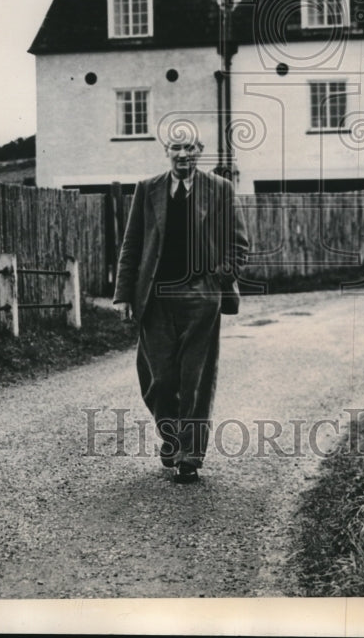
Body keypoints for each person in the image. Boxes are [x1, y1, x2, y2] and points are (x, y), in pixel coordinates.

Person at [113, 133, 249, 484]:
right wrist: (125, 295)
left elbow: (239, 243)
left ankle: (190, 455)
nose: (183, 154)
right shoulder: (148, 189)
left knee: (195, 379)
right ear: (167, 152)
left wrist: (217, 281)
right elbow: (132, 244)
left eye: (191, 148)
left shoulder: (220, 188)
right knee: (158, 379)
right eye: (177, 148)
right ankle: (171, 438)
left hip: (200, 297)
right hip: (155, 298)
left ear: (200, 153)